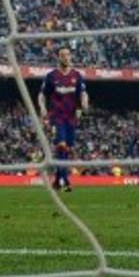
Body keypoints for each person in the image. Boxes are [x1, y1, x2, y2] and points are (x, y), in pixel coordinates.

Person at [37, 47, 89, 193]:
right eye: (63, 55)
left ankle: (56, 181)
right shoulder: (51, 76)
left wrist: (84, 102)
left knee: (66, 150)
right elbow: (42, 94)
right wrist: (42, 107)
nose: (66, 57)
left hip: (71, 118)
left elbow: (84, 93)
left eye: (68, 55)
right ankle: (65, 181)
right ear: (58, 58)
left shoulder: (76, 75)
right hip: (57, 116)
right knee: (61, 146)